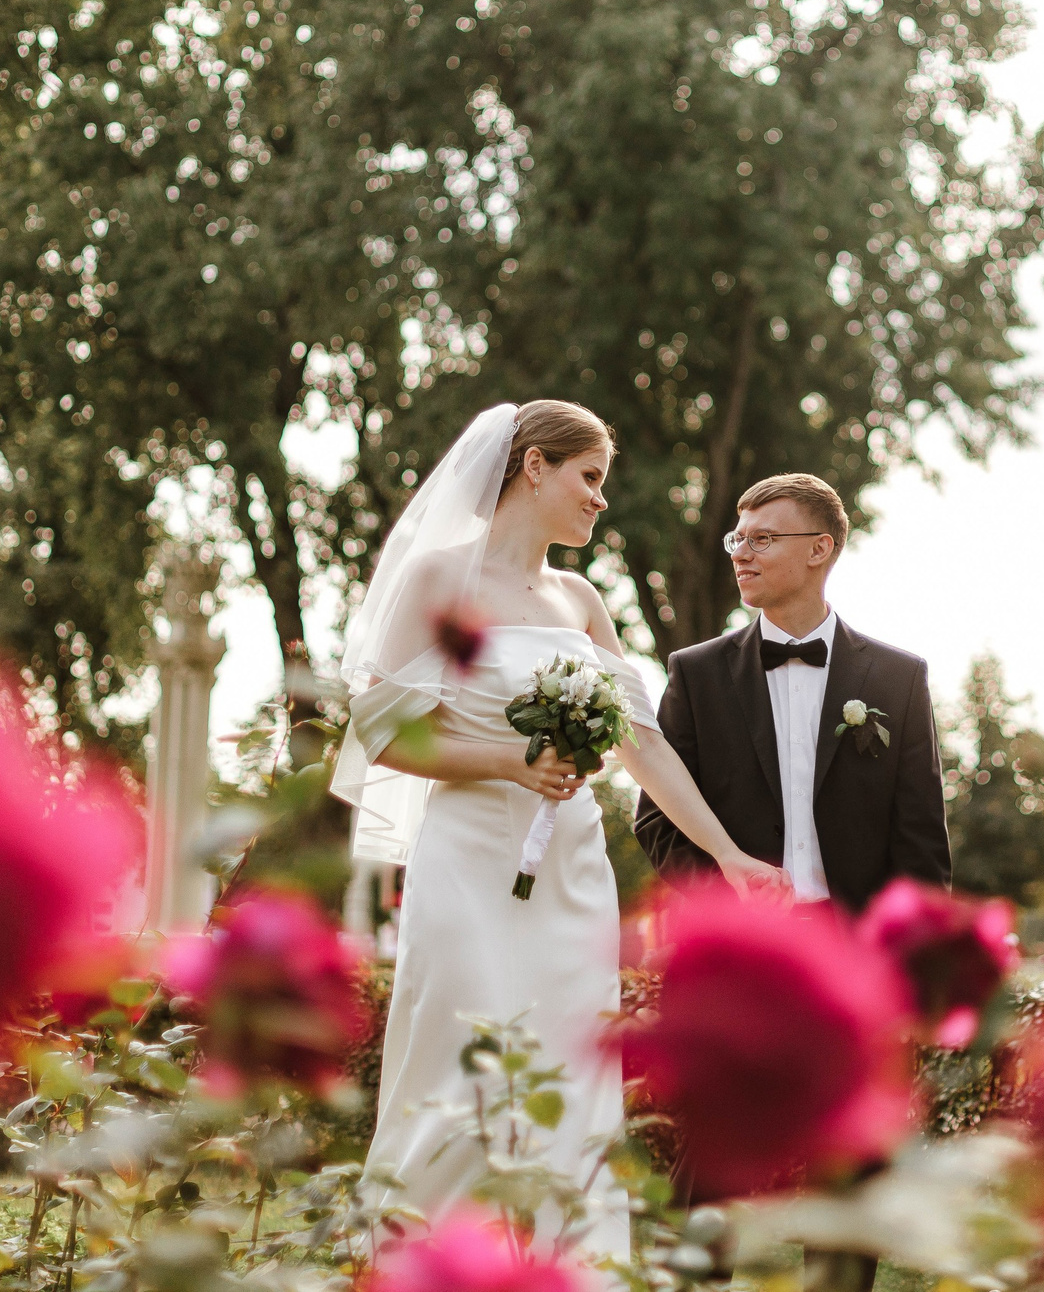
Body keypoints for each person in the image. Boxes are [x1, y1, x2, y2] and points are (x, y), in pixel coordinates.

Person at [331, 401, 786, 1262]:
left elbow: (643, 742)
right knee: (460, 1052)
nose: (600, 499)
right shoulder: (437, 580)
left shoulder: (580, 599)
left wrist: (728, 855)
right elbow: (383, 734)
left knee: (573, 1065)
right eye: (590, 477)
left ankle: (565, 1265)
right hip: (467, 863)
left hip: (570, 875)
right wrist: (507, 760)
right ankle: (433, 1261)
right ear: (534, 465)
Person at [633, 471, 952, 909]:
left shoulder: (899, 677)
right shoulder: (696, 674)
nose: (740, 554)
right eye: (737, 540)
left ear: (819, 548)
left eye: (762, 539)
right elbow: (657, 818)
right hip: (741, 936)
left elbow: (923, 840)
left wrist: (911, 941)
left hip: (859, 940)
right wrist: (728, 903)